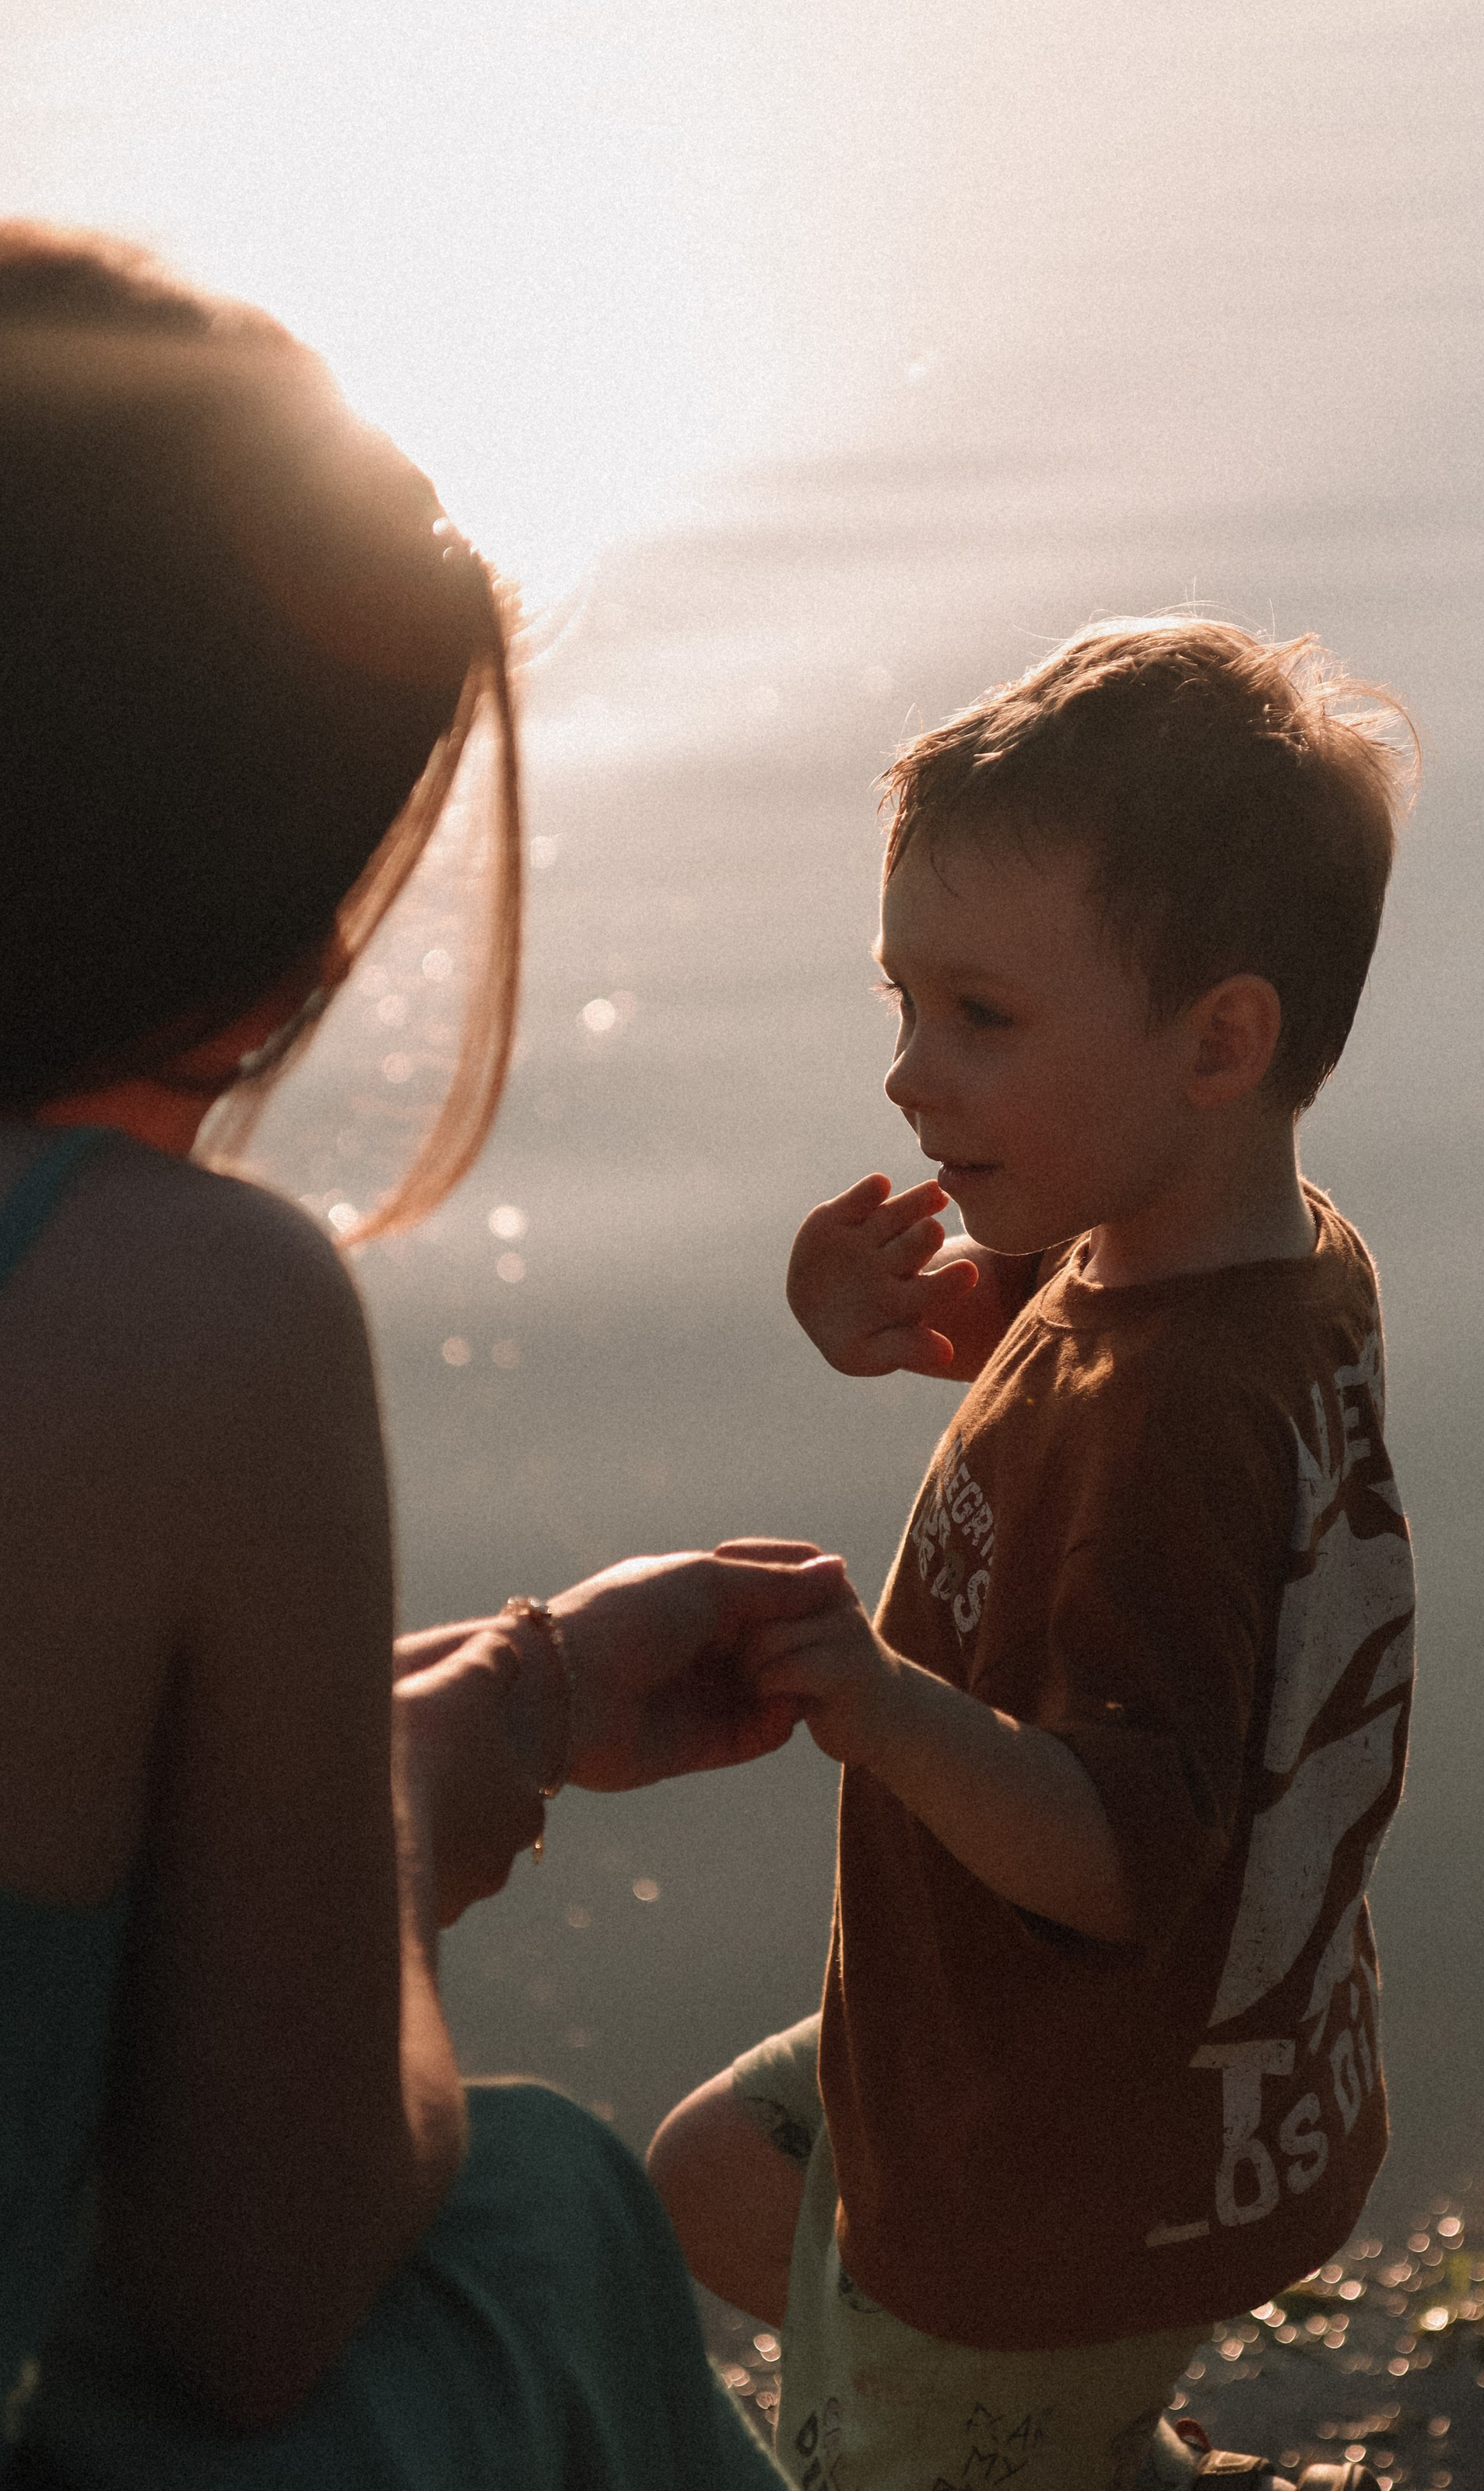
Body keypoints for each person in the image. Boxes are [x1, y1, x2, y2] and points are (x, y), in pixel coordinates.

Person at [0, 221, 841, 2488]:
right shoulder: (174, 1308)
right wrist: (418, 1793)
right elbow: (257, 2287)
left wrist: (502, 1702)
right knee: (546, 2221)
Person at [649, 620, 1419, 2491]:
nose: (911, 1078)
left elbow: (1112, 1849)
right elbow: (1114, 1406)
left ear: (1217, 1041)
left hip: (1053, 2175)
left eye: (979, 1018)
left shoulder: (1182, 1428)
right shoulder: (1247, 1259)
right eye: (899, 1002)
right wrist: (943, 1321)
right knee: (719, 2182)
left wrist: (878, 1704)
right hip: (1075, 2064)